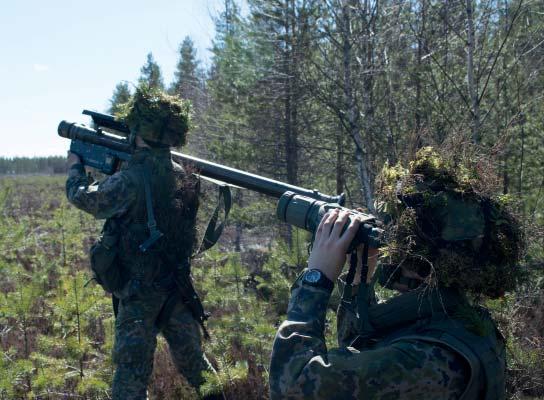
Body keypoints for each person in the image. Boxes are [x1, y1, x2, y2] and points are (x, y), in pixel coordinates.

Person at [269, 148, 523, 399]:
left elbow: (293, 386)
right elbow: (358, 349)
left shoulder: (423, 360)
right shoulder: (454, 320)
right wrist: (360, 277)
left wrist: (317, 278)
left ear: (420, 262)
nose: (387, 248)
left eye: (396, 239)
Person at [66, 86, 216, 399]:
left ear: (140, 132)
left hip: (139, 294)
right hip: (175, 287)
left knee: (131, 376)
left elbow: (86, 199)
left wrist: (75, 167)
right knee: (197, 368)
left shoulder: (131, 178)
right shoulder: (182, 174)